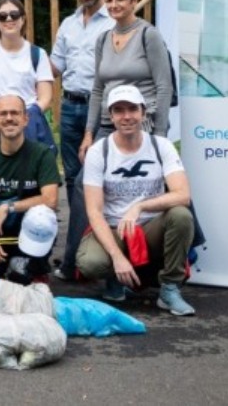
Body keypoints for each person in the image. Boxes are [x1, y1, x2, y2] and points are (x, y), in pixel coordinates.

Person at [78, 85, 197, 316]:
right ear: (111, 116)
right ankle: (115, 277)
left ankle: (170, 288)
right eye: (119, 110)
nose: (127, 116)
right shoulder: (98, 151)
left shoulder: (160, 146)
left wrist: (140, 206)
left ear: (143, 113)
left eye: (132, 109)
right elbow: (94, 212)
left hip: (151, 226)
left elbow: (183, 195)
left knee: (181, 215)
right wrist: (117, 257)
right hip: (115, 229)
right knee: (90, 262)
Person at [50, 0, 112, 279]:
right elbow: (53, 68)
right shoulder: (69, 23)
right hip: (70, 108)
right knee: (73, 181)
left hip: (100, 111)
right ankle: (82, 249)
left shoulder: (113, 22)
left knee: (90, 183)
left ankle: (81, 259)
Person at [0, 94, 60, 281]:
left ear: (26, 119)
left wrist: (8, 207)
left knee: (43, 215)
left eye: (15, 113)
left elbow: (51, 200)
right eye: (3, 114)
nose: (9, 118)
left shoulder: (42, 154)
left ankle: (35, 267)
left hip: (25, 229)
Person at [82, 0, 173, 153]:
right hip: (109, 122)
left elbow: (164, 86)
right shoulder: (102, 40)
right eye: (109, 0)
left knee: (139, 178)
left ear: (133, 1)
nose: (114, 5)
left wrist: (160, 134)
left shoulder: (148, 35)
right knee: (86, 179)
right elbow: (98, 89)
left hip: (143, 123)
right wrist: (89, 133)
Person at [0, 0, 56, 151]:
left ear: (23, 19)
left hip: (28, 124)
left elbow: (45, 97)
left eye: (14, 15)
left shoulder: (38, 54)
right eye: (2, 16)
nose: (8, 19)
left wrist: (21, 120)